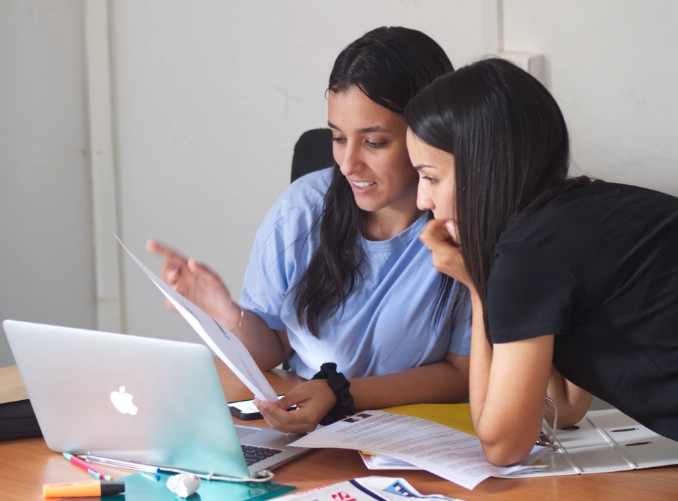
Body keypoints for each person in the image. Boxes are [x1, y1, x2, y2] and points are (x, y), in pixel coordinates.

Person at [148, 27, 471, 433]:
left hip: (418, 440)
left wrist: (341, 392)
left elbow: (462, 374)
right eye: (338, 138)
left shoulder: (463, 228)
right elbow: (271, 348)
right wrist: (225, 314)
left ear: (428, 134)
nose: (348, 163)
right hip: (311, 434)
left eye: (373, 142)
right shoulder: (301, 211)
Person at [404, 57, 678, 466]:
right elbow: (563, 406)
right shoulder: (578, 215)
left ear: (483, 169)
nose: (422, 201)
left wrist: (480, 290)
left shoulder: (529, 253)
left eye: (430, 177)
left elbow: (502, 446)